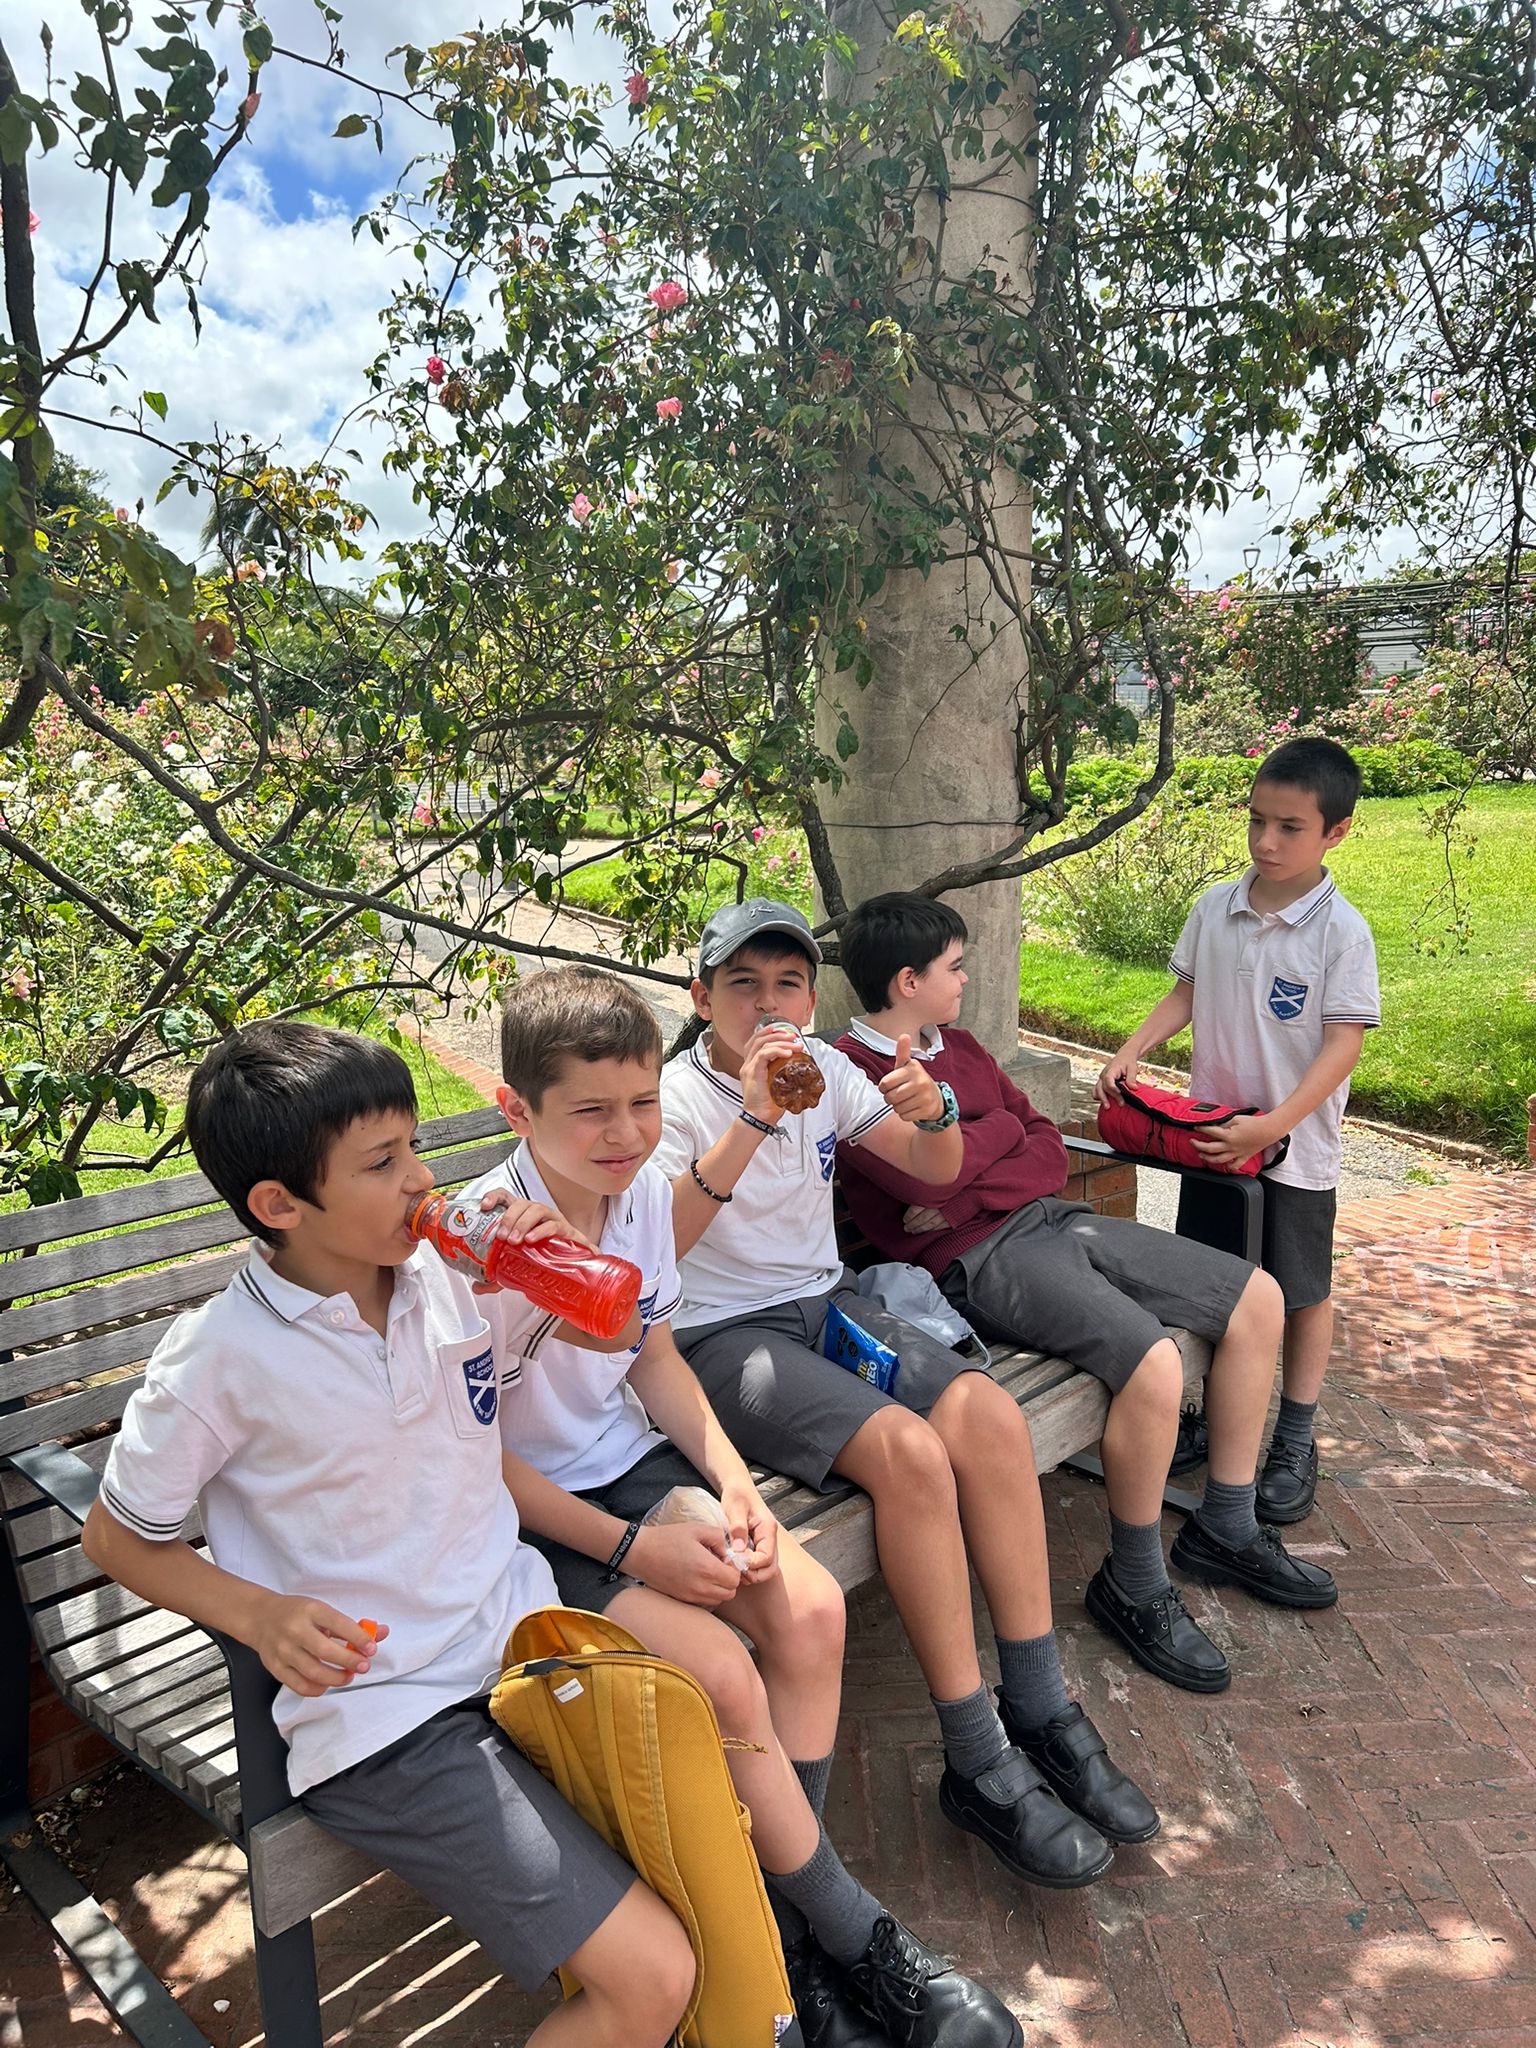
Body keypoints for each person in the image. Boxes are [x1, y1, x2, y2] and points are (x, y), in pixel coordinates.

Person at [79, 1021, 696, 2047]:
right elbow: (115, 1539)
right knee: (652, 1977)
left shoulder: (446, 1278)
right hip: (389, 1713)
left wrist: (558, 1260)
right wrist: (258, 1614)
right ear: (279, 1205)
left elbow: (616, 1333)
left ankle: (803, 1982)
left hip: (522, 1634)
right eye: (381, 1162)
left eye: (414, 1145)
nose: (421, 1177)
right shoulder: (216, 1360)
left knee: (708, 1832)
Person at [462, 965, 1021, 2048]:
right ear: (516, 1110)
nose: (626, 1133)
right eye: (591, 1110)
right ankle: (855, 1937)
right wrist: (635, 1547)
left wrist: (728, 1480)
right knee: (722, 1672)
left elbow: (653, 1355)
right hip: (523, 1518)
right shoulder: (487, 1242)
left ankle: (785, 1935)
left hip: (627, 1462)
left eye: (642, 1102)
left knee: (808, 1610)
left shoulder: (636, 1196)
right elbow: (474, 1458)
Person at [656, 897, 1158, 1905]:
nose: (768, 1006)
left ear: (812, 996)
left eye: (788, 984)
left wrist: (934, 1114)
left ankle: (1040, 1704)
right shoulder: (677, 1101)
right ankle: (975, 1752)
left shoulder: (828, 1069)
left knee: (988, 1415)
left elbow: (934, 1168)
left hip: (828, 1306)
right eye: (743, 985)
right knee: (913, 1456)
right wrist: (752, 1118)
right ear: (703, 997)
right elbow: (654, 1248)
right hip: (724, 1339)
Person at [832, 891, 1336, 1696]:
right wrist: (990, 1155)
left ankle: (1227, 1522)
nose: (966, 978)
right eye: (954, 967)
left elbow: (1040, 1145)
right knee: (1151, 1361)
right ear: (907, 981)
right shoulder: (854, 1074)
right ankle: (1133, 1581)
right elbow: (922, 1184)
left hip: (1049, 1220)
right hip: (974, 1260)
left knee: (1259, 1298)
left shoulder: (960, 1046)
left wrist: (981, 1160)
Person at [1099, 736, 1380, 1528]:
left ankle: (1293, 1437)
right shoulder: (1215, 908)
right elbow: (1185, 994)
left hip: (1294, 1150)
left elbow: (1344, 1044)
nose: (1266, 841)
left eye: (1290, 827)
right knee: (1213, 1285)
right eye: (1257, 820)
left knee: (1300, 1293)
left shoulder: (1341, 933)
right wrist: (1131, 1049)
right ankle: (1204, 1413)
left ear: (1336, 832)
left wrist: (1275, 1126)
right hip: (1213, 1141)